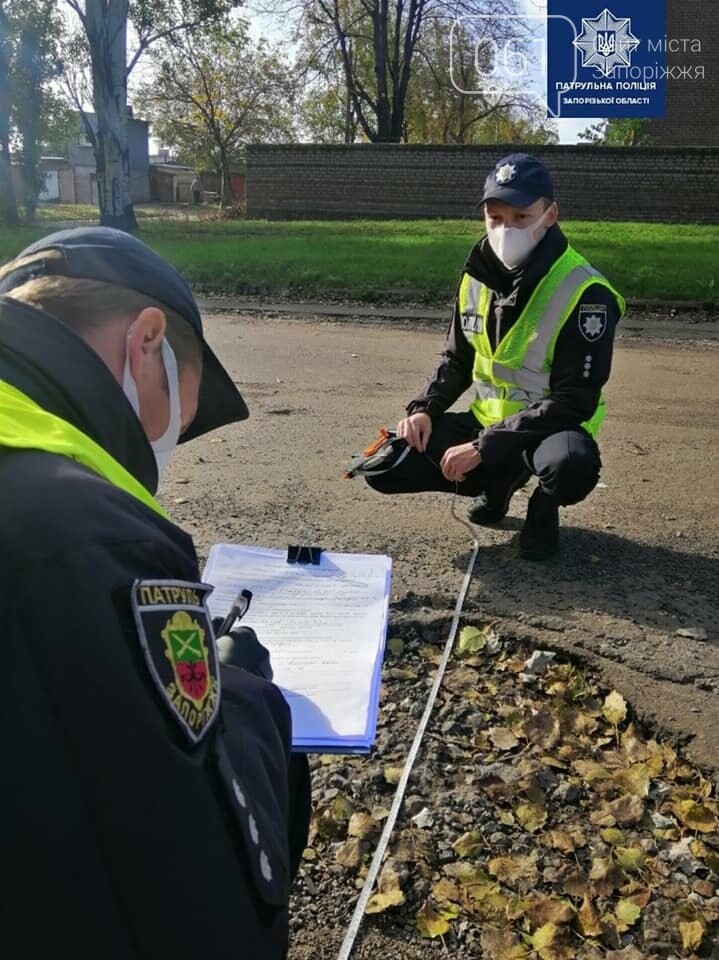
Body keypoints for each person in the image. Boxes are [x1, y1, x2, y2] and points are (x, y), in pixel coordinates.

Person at [0, 227, 310, 958]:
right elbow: (213, 894)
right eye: (175, 411)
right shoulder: (84, 529)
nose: (158, 451)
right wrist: (241, 692)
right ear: (147, 343)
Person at [363, 153, 625, 560]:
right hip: (488, 423)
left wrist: (484, 447)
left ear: (550, 214)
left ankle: (543, 504)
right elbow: (457, 358)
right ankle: (498, 483)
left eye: (522, 217)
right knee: (388, 463)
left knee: (571, 466)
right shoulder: (477, 275)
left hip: (551, 431)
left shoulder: (584, 291)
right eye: (496, 218)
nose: (507, 230)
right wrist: (424, 409)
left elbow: (575, 399)